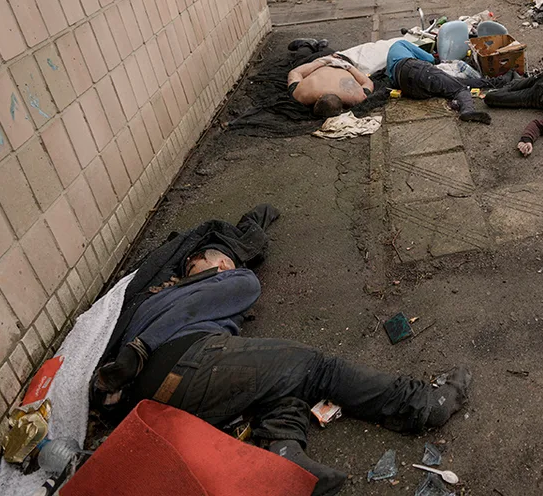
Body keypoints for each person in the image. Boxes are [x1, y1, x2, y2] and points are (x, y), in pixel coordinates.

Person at [94, 207, 468, 496]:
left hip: (163, 397)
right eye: (195, 266)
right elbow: (235, 286)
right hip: (184, 362)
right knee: (314, 367)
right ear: (221, 263)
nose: (194, 270)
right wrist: (139, 349)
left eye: (197, 266)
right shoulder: (226, 281)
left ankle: (286, 455)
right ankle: (421, 404)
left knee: (275, 381)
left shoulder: (154, 303)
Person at [384, 39, 491, 123]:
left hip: (409, 89)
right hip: (414, 69)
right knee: (460, 89)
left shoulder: (390, 62)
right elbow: (430, 58)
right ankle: (467, 110)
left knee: (451, 84)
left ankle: (490, 83)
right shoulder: (401, 43)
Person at [286, 56, 374, 118]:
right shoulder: (355, 96)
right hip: (338, 64)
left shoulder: (301, 94)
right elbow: (368, 82)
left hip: (323, 63)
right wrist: (346, 65)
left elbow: (295, 73)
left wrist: (323, 61)